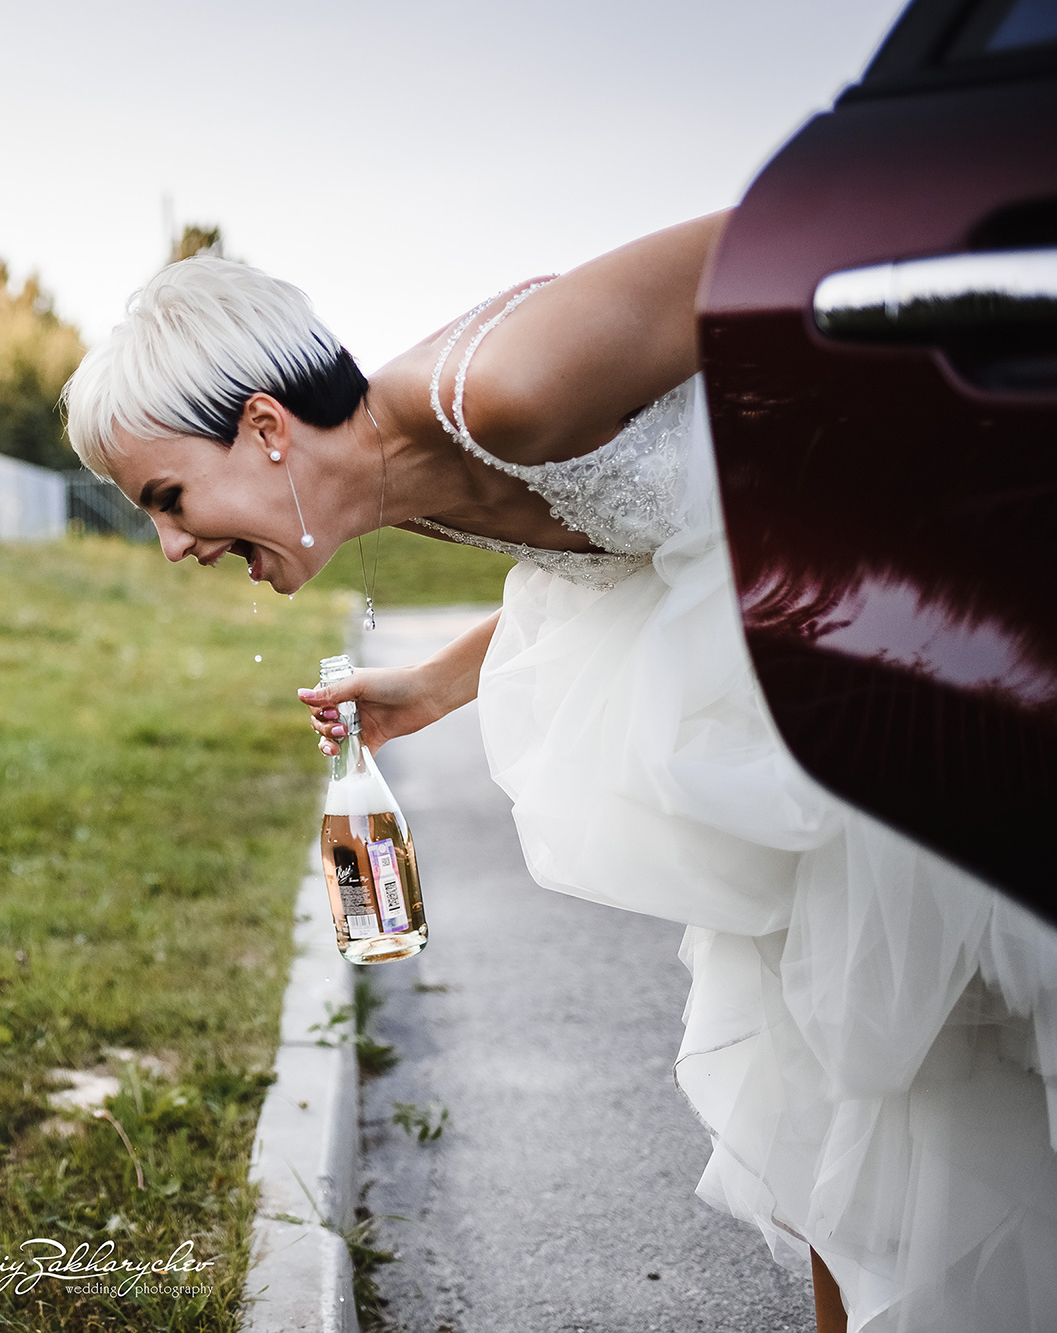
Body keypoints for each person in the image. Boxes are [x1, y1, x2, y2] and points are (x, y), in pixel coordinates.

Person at [61, 218, 1057, 1333]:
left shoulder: (506, 388)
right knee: (838, 1092)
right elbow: (626, 550)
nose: (171, 547)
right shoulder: (414, 490)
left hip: (950, 617)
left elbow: (792, 228)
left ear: (261, 428)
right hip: (835, 684)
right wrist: (434, 683)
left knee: (953, 1059)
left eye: (165, 497)